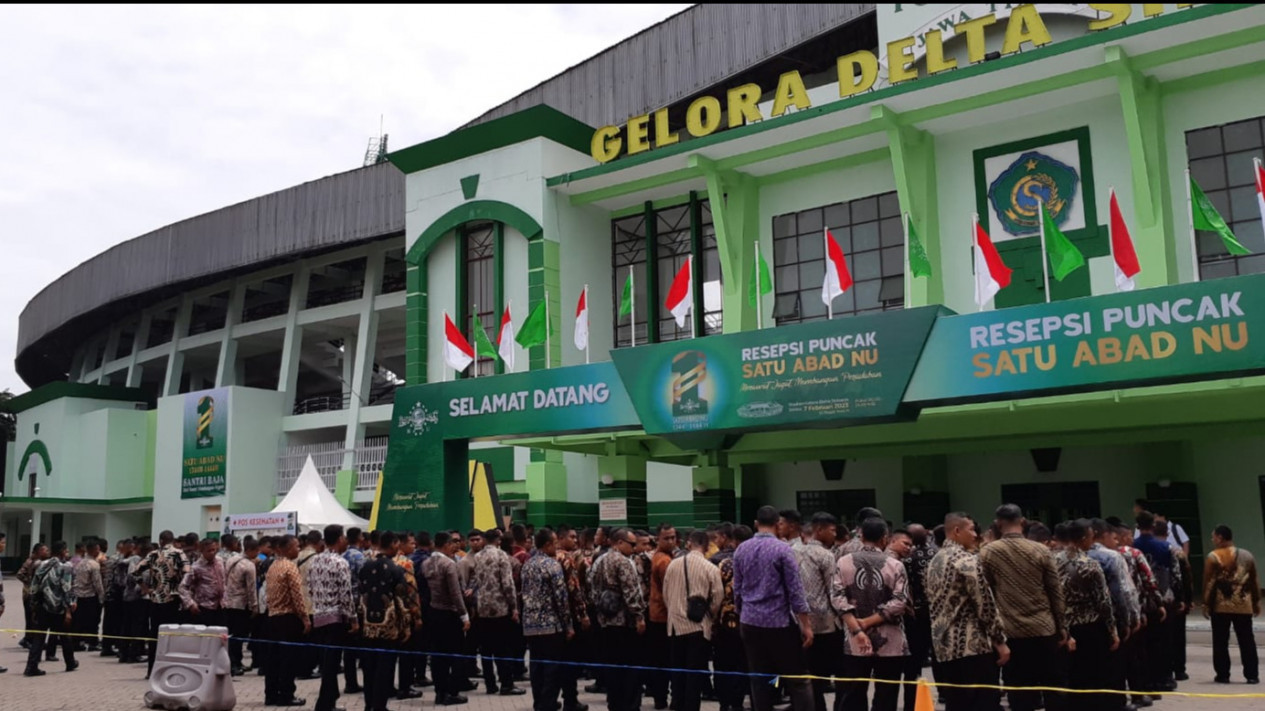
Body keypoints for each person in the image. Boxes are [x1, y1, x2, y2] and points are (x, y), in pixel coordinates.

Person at [977, 503, 1067, 711]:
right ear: (1023, 522)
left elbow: (985, 594)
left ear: (998, 524)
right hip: (1044, 628)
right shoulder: (1042, 550)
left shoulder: (988, 553)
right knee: (1054, 688)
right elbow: (1056, 592)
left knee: (1019, 692)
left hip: (1011, 632)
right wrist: (1062, 627)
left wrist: (994, 635)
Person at [732, 505, 814, 711]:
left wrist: (742, 613)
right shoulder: (783, 550)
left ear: (756, 524)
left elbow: (738, 590)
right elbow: (795, 591)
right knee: (797, 678)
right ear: (778, 524)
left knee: (759, 677)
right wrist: (805, 625)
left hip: (750, 622)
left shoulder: (741, 549)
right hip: (779, 624)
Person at [926, 513, 1009, 711]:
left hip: (944, 646)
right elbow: (985, 605)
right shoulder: (966, 561)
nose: (975, 535)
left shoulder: (934, 561)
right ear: (957, 531)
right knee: (984, 702)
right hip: (972, 645)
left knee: (957, 703)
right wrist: (1000, 641)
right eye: (971, 529)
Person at [832, 517, 909, 711]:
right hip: (890, 641)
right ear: (885, 538)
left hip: (855, 641)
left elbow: (837, 599)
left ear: (861, 536)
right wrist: (869, 621)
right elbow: (900, 602)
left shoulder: (843, 562)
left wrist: (858, 629)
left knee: (853, 694)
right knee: (887, 696)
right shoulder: (895, 565)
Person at [1055, 519, 1119, 710]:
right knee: (1093, 677)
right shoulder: (1090, 565)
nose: (1092, 541)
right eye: (1091, 537)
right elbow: (1103, 602)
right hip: (1090, 628)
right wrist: (1112, 630)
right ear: (1083, 539)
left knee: (1071, 676)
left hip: (1064, 627)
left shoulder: (1053, 561)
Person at [664, 529, 724, 711]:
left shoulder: (673, 565)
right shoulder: (711, 568)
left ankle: (677, 703)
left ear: (689, 543)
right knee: (695, 673)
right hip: (698, 627)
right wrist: (710, 617)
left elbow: (666, 594)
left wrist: (674, 610)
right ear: (706, 546)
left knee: (678, 671)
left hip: (674, 626)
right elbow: (717, 598)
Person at [590, 527, 647, 711]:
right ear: (619, 542)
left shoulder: (599, 560)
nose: (634, 548)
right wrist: (639, 617)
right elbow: (631, 593)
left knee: (611, 666)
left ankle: (613, 703)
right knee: (629, 668)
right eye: (632, 544)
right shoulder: (624, 562)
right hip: (624, 623)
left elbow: (591, 588)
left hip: (605, 621)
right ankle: (629, 704)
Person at [1087, 519, 1141, 710]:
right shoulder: (1112, 557)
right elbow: (1124, 591)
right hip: (1111, 618)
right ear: (1103, 535)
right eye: (1114, 537)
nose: (1117, 542)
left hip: (1085, 621)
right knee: (1114, 665)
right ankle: (1116, 703)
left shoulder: (1069, 556)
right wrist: (1130, 618)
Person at [793, 512, 843, 711]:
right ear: (819, 530)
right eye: (832, 530)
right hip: (827, 625)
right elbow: (834, 591)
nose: (834, 534)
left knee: (812, 677)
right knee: (840, 673)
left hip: (800, 623)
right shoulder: (826, 555)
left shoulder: (792, 552)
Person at [307, 524, 359, 711]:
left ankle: (329, 699)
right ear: (339, 539)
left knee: (327, 662)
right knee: (332, 664)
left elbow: (310, 588)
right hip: (336, 619)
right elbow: (346, 594)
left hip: (318, 616)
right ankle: (325, 703)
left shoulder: (315, 561)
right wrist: (353, 618)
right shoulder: (340, 562)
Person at [522, 527, 574, 711]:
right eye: (555, 543)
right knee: (552, 669)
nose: (557, 546)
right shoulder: (553, 565)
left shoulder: (527, 564)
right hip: (551, 626)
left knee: (536, 667)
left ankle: (539, 702)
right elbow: (561, 598)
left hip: (530, 625)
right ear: (547, 545)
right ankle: (548, 703)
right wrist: (568, 624)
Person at [359, 531, 411, 711]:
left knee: (369, 668)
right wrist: (406, 627)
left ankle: (368, 704)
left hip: (367, 626)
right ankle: (379, 706)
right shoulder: (395, 569)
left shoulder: (365, 566)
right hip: (388, 628)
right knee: (384, 668)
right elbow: (401, 600)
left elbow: (360, 594)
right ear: (393, 544)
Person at [1203, 524, 1260, 684]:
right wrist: (1256, 602)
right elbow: (1254, 581)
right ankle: (1252, 675)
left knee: (1220, 641)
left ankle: (1223, 674)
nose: (1212, 539)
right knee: (1247, 640)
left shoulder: (1213, 557)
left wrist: (1206, 604)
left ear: (1220, 538)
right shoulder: (1247, 555)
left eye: (1214, 536)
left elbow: (1208, 583)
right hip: (1243, 604)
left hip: (1220, 606)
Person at [473, 527, 526, 695]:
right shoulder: (501, 555)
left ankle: (490, 684)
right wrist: (514, 607)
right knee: (503, 648)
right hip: (500, 608)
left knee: (486, 648)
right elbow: (508, 584)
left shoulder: (477, 556)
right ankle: (506, 684)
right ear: (497, 540)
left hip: (483, 608)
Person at [133, 530, 190, 679]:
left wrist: (145, 588)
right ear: (172, 540)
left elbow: (135, 572)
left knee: (154, 636)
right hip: (172, 599)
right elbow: (187, 573)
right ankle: (170, 670)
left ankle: (152, 670)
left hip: (156, 599)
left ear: (160, 541)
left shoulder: (153, 555)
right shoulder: (179, 554)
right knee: (172, 636)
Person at [425, 530, 473, 705]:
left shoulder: (426, 563)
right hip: (450, 615)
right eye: (452, 543)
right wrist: (464, 616)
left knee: (438, 656)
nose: (454, 546)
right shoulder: (449, 564)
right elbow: (455, 593)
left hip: (433, 612)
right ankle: (452, 692)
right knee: (457, 655)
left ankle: (440, 692)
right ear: (445, 545)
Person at [1133, 511, 1177, 693]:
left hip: (1140, 602)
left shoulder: (1132, 548)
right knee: (1164, 641)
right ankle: (1164, 678)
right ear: (1153, 526)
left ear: (1137, 527)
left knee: (1143, 643)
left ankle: (1147, 680)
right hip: (1162, 599)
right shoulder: (1165, 547)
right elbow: (1174, 575)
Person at [264, 534, 309, 707]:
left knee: (273, 659)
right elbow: (297, 596)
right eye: (296, 546)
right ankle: (286, 695)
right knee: (288, 660)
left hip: (272, 616)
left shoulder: (273, 566)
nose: (298, 549)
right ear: (287, 549)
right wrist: (305, 618)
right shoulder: (290, 567)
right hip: (288, 619)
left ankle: (271, 694)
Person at [25, 540, 79, 676]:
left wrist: (33, 606)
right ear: (62, 551)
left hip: (43, 606)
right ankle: (70, 662)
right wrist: (69, 608)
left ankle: (31, 666)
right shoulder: (66, 567)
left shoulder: (42, 564)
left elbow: (34, 586)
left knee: (39, 637)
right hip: (58, 608)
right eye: (66, 551)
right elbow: (67, 588)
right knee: (65, 635)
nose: (67, 554)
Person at [713, 525, 750, 711]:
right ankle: (738, 702)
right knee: (743, 664)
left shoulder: (723, 564)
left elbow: (715, 595)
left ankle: (724, 702)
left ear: (733, 541)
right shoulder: (753, 562)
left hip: (724, 622)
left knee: (723, 664)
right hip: (748, 621)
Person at [554, 524, 590, 711]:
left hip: (552, 619)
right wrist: (583, 614)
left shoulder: (544, 558)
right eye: (572, 537)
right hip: (569, 617)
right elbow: (574, 589)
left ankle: (551, 699)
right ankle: (571, 700)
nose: (575, 541)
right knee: (570, 661)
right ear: (560, 538)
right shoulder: (567, 559)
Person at [645, 523, 678, 710]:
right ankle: (662, 698)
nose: (671, 541)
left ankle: (660, 698)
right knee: (665, 661)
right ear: (658, 539)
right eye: (666, 538)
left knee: (661, 660)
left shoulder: (664, 557)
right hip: (662, 617)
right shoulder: (663, 561)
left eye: (673, 537)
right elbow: (670, 592)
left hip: (659, 615)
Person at [225, 535, 259, 676]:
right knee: (238, 636)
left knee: (230, 635)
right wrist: (254, 606)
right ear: (251, 550)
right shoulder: (249, 565)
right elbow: (251, 588)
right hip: (240, 604)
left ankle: (231, 662)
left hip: (227, 602)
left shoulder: (230, 560)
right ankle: (236, 664)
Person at [179, 538, 227, 629]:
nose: (212, 552)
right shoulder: (196, 567)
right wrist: (190, 603)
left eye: (214, 550)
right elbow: (182, 587)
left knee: (220, 636)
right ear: (202, 551)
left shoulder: (220, 561)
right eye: (209, 550)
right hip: (204, 607)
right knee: (205, 638)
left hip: (221, 605)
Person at [341, 527, 367, 694]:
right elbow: (365, 580)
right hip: (358, 606)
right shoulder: (359, 557)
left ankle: (350, 683)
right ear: (360, 538)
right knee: (363, 646)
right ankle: (366, 680)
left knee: (348, 649)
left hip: (344, 607)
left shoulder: (341, 556)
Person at [71, 539, 105, 652]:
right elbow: (97, 583)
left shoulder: (80, 563)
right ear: (94, 550)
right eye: (98, 549)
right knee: (93, 621)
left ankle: (77, 642)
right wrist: (102, 596)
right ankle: (93, 643)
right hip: (90, 596)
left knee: (79, 621)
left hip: (79, 595)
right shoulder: (94, 564)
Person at [17, 543, 50, 653]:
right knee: (31, 617)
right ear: (38, 551)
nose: (47, 552)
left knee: (33, 617)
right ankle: (28, 639)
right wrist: (30, 583)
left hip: (32, 593)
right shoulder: (31, 562)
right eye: (45, 550)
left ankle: (32, 638)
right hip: (29, 594)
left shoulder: (39, 562)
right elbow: (20, 574)